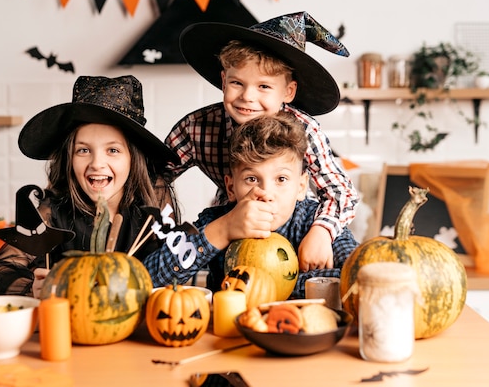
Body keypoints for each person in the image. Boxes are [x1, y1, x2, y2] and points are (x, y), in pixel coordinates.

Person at [163, 11, 359, 274]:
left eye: (264, 87)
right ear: (223, 81)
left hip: (296, 222)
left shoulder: (305, 129)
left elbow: (341, 191)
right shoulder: (196, 128)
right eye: (237, 83)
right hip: (232, 217)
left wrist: (322, 231)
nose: (248, 97)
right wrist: (163, 222)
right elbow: (153, 176)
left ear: (288, 92)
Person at [0, 75, 180, 298]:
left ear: (133, 158)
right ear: (69, 158)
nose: (96, 163)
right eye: (83, 150)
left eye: (112, 150)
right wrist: (31, 287)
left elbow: (174, 267)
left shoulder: (155, 197)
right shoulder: (53, 210)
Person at [149, 112, 358, 298]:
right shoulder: (215, 221)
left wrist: (276, 286)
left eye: (281, 179)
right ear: (230, 188)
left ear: (301, 186)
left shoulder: (314, 223)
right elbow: (150, 280)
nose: (266, 194)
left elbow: (360, 273)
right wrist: (223, 231)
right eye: (251, 179)